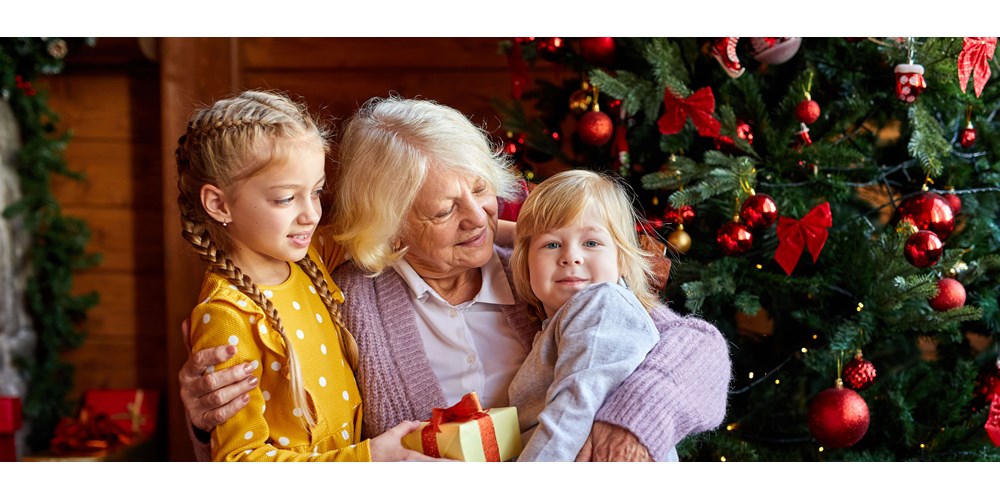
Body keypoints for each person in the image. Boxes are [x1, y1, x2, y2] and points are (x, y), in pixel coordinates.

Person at [178, 96, 732, 462]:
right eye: (444, 209)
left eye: (481, 189)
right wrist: (208, 421)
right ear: (390, 224)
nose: (479, 218)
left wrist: (631, 424)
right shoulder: (342, 299)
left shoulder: (544, 265)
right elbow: (286, 436)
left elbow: (696, 347)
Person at [174, 90, 428, 461]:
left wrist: (512, 233)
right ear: (219, 204)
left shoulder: (310, 257)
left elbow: (380, 225)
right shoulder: (227, 315)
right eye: (285, 199)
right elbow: (241, 462)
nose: (311, 213)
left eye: (317, 192)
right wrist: (370, 460)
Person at [508, 169, 679, 461]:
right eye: (551, 244)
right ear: (525, 265)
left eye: (591, 243)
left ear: (622, 258)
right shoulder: (560, 321)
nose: (570, 256)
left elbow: (573, 409)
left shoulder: (602, 305)